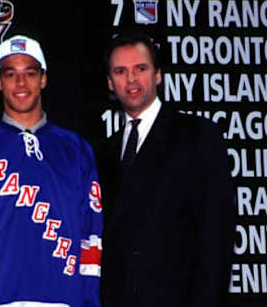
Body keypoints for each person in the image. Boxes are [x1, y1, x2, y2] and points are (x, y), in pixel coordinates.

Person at [0, 35, 103, 306]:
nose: (20, 83)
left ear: (43, 79)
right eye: (10, 73)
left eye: (30, 73)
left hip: (63, 300)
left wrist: (88, 301)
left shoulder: (76, 151)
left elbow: (91, 238)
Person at [95, 32, 235, 307]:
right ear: (110, 83)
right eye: (121, 71)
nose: (131, 79)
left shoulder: (197, 136)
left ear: (158, 75)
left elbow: (216, 233)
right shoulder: (102, 154)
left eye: (141, 69)